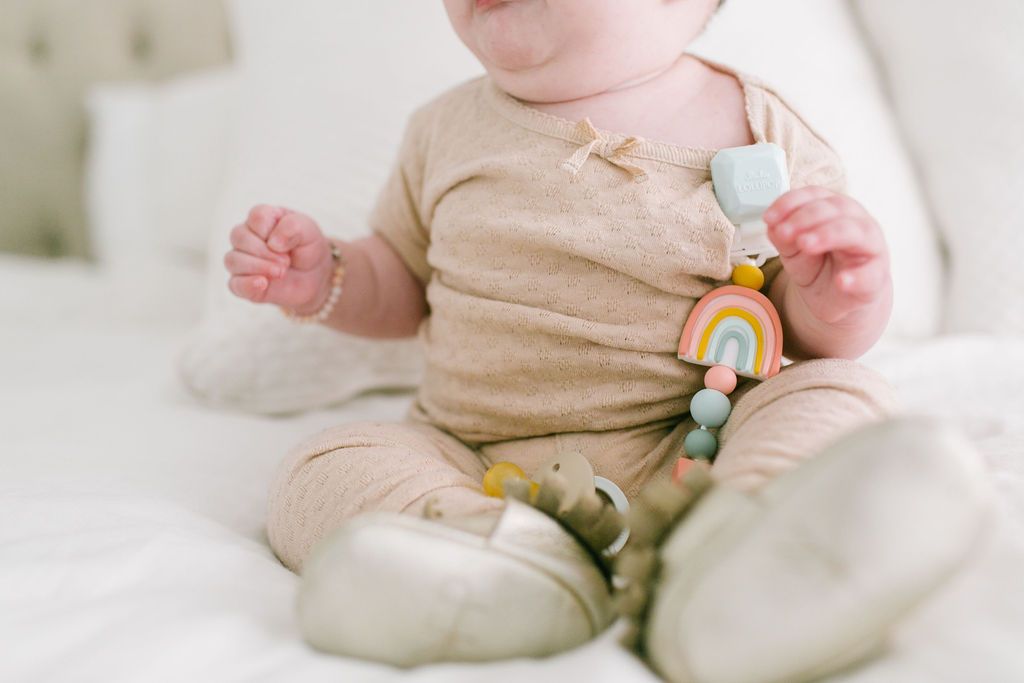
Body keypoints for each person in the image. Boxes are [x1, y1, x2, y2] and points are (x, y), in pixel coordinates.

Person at [222, 1, 991, 680]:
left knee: (838, 390)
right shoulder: (443, 131)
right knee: (324, 467)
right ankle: (495, 562)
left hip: (694, 450)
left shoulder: (760, 132)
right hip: (476, 462)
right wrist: (327, 275)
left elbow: (807, 333)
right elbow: (400, 280)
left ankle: (737, 545)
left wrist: (839, 289)